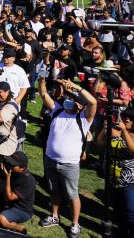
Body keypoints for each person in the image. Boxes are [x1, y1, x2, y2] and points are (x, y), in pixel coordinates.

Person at [37, 77, 97, 238]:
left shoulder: (84, 119)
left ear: (79, 104)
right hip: (50, 160)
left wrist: (75, 86)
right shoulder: (57, 110)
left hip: (69, 165)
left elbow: (93, 103)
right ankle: (55, 216)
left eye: (72, 99)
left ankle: (75, 224)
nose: (68, 100)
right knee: (53, 190)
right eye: (67, 98)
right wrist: (42, 79)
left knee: (72, 195)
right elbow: (43, 94)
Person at [97, 108, 134, 238]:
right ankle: (121, 232)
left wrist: (124, 131)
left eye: (131, 118)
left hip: (130, 182)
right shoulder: (116, 132)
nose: (127, 119)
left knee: (131, 214)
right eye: (125, 116)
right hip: (114, 180)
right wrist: (105, 129)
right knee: (118, 211)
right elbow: (100, 142)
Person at [0, 151, 36, 235]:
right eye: (9, 162)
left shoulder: (27, 180)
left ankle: (20, 229)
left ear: (22, 168)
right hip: (10, 205)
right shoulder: (12, 171)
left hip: (22, 210)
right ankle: (11, 223)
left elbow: (9, 197)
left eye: (12, 164)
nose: (9, 165)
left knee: (1, 218)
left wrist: (7, 178)